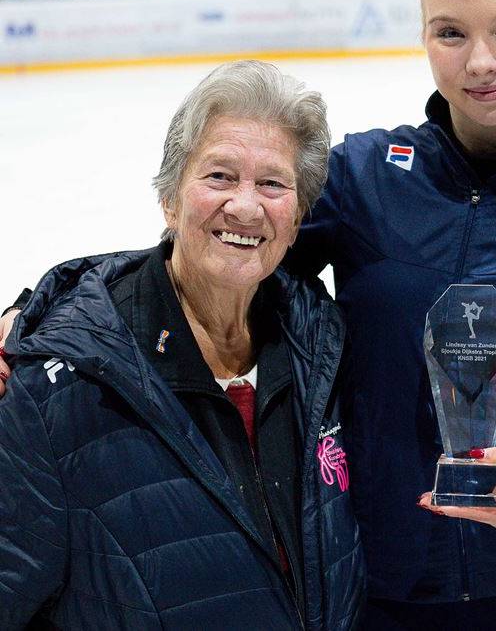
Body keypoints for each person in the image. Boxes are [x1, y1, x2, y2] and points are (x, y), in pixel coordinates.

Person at [0, 0, 496, 629]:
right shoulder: (363, 178)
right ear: (423, 35)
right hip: (379, 587)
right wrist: (35, 315)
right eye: (450, 32)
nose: (480, 63)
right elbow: (203, 258)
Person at [0, 61, 365, 630]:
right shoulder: (60, 390)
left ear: (297, 221)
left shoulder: (321, 351)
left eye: (272, 183)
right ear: (169, 199)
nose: (246, 207)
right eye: (219, 176)